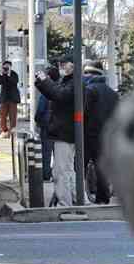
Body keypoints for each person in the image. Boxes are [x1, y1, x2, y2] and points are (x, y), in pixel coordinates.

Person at [35, 54, 78, 206]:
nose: (61, 67)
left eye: (64, 64)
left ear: (73, 66)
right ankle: (75, 198)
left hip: (65, 132)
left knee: (60, 170)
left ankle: (65, 202)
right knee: (67, 169)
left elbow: (59, 95)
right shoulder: (68, 82)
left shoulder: (74, 83)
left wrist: (45, 81)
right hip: (66, 131)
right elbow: (54, 94)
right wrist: (42, 82)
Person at [82, 60, 119, 204]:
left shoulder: (89, 90)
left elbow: (84, 113)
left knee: (79, 165)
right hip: (108, 136)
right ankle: (103, 197)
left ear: (89, 74)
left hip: (89, 135)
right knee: (101, 167)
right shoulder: (112, 93)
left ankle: (79, 195)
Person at [34, 65, 60, 182]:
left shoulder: (46, 92)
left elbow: (40, 110)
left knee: (46, 152)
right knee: (59, 153)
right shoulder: (62, 88)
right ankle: (57, 174)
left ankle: (46, 175)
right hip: (60, 126)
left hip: (47, 126)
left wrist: (38, 121)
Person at [0, 60, 21, 138]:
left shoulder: (14, 74)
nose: (6, 68)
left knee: (12, 116)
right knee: (2, 115)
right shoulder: (2, 74)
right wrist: (1, 73)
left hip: (13, 99)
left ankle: (12, 132)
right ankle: (5, 131)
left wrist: (9, 74)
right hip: (4, 98)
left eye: (8, 67)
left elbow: (14, 81)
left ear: (10, 67)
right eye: (5, 67)